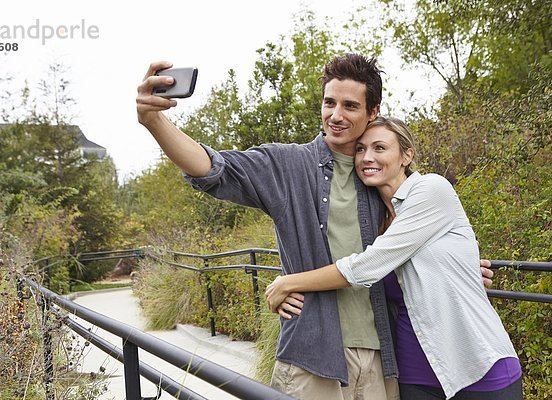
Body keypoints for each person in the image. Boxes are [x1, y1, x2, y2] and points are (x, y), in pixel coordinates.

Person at [136, 54, 493, 400]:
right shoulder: (288, 165)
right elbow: (213, 168)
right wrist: (154, 121)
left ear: (373, 112)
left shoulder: (379, 177)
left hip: (382, 360)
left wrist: (451, 270)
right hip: (312, 357)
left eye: (350, 106)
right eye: (329, 103)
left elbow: (405, 248)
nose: (335, 115)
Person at [265, 116, 522, 400]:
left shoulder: (432, 190)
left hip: (475, 364)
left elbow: (364, 267)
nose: (367, 157)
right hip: (414, 375)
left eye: (379, 148)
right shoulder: (375, 222)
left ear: (406, 155)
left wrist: (288, 283)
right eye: (360, 149)